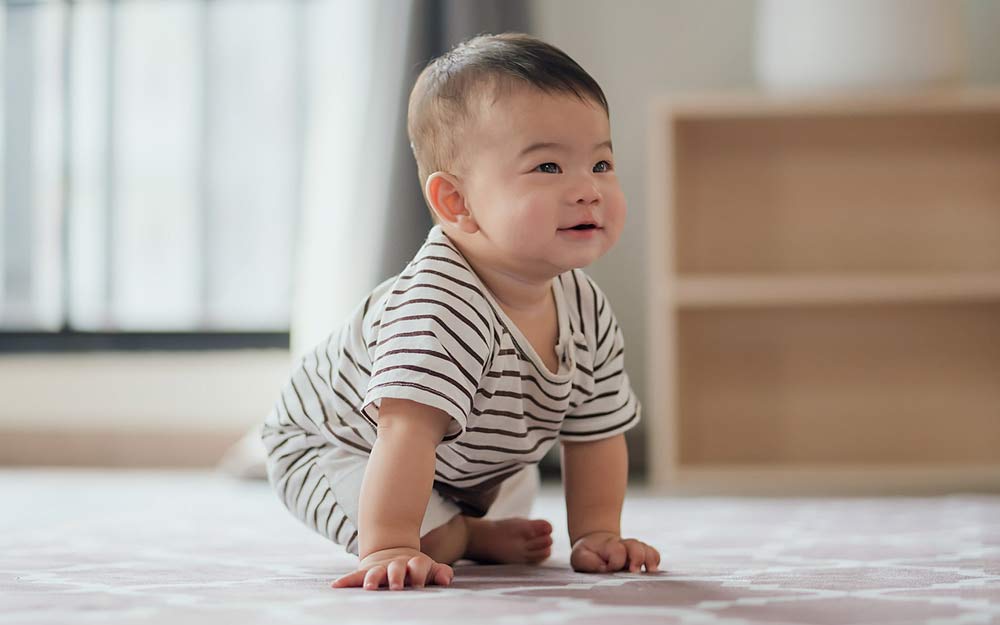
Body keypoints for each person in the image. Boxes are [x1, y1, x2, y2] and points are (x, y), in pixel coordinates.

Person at [262, 32, 660, 591]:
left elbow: (594, 431)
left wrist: (596, 534)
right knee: (426, 536)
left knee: (513, 483)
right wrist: (394, 547)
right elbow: (403, 434)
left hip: (466, 462)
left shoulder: (584, 304)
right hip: (340, 446)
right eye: (548, 168)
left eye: (600, 163)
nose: (588, 190)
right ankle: (461, 535)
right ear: (458, 202)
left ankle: (465, 526)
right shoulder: (440, 306)